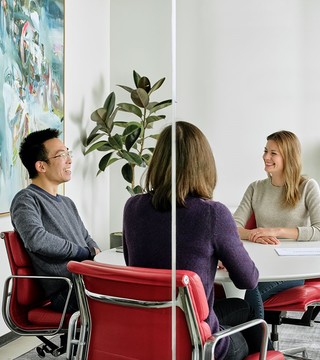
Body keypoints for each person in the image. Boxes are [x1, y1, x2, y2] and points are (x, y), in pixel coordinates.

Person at [122, 121, 267, 360]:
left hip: (149, 333)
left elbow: (135, 264)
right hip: (199, 344)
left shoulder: (132, 207)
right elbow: (248, 280)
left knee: (244, 308)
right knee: (254, 330)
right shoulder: (213, 214)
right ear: (204, 164)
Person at [10, 128, 101, 313]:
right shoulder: (26, 199)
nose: (69, 160)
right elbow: (37, 240)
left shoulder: (67, 203)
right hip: (68, 291)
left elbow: (86, 238)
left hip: (87, 281)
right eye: (61, 155)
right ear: (41, 166)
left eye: (68, 153)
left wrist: (95, 256)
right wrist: (84, 253)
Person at [233, 130, 320, 319]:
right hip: (261, 265)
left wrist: (277, 231)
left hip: (294, 267)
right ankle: (262, 346)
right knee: (246, 287)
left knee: (250, 290)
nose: (266, 157)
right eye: (265, 151)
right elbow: (232, 227)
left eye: (273, 153)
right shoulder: (256, 188)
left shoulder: (307, 186)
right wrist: (253, 234)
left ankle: (258, 346)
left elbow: (319, 229)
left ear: (289, 156)